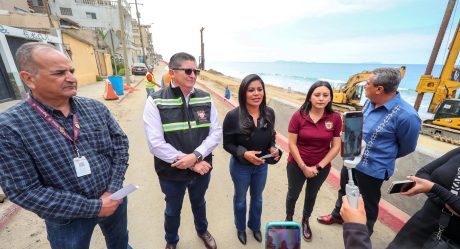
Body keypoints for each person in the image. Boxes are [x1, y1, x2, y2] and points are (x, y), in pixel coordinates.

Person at [0, 42, 131, 249]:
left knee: (121, 245)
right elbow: (24, 190)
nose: (71, 78)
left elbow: (120, 147)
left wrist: (113, 190)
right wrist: (94, 207)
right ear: (29, 79)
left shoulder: (95, 108)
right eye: (59, 73)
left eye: (71, 70)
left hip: (113, 199)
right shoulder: (9, 127)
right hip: (66, 218)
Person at [317, 67, 422, 235]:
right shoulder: (369, 101)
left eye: (368, 83)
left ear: (379, 89)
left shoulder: (407, 116)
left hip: (373, 169)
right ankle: (338, 215)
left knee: (368, 204)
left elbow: (407, 147)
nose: (365, 85)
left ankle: (362, 236)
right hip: (352, 159)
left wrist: (380, 156)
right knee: (344, 191)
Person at [143, 52, 222, 249]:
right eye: (188, 71)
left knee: (199, 203)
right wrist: (188, 162)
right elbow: (155, 143)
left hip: (202, 167)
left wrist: (195, 157)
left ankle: (202, 231)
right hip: (171, 171)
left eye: (195, 71)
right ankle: (171, 241)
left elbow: (216, 133)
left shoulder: (205, 99)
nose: (193, 75)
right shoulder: (156, 101)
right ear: (172, 72)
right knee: (172, 209)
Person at [223, 74, 280, 245]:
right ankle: (240, 228)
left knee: (258, 198)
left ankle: (254, 226)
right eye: (251, 90)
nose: (256, 93)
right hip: (241, 167)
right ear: (243, 93)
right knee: (240, 199)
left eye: (259, 89)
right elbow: (227, 144)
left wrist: (272, 148)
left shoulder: (269, 113)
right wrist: (244, 153)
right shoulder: (233, 116)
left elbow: (271, 137)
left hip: (261, 166)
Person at [285, 81, 342, 242]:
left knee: (311, 195)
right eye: (317, 95)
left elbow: (336, 146)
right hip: (297, 165)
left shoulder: (335, 118)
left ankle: (305, 221)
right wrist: (303, 166)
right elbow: (292, 143)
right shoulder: (298, 116)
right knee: (293, 194)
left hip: (321, 168)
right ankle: (289, 219)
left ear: (330, 98)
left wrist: (318, 166)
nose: (321, 98)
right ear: (310, 97)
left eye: (325, 95)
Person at [387, 147, 460, 248]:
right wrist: (449, 201)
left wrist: (433, 188)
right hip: (419, 225)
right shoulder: (458, 151)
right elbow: (422, 173)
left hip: (451, 241)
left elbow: (428, 186)